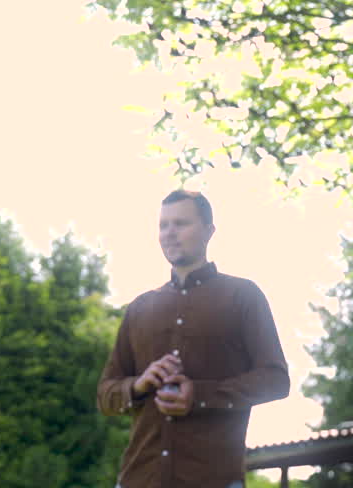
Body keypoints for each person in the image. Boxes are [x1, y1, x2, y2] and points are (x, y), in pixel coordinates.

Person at [98, 190, 290, 488]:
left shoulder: (244, 296)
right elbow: (105, 394)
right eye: (163, 225)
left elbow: (276, 381)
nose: (169, 233)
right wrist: (139, 384)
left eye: (181, 223)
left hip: (212, 479)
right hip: (139, 478)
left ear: (209, 230)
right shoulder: (139, 308)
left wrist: (199, 396)